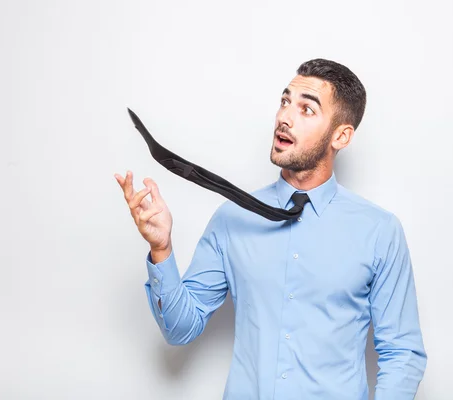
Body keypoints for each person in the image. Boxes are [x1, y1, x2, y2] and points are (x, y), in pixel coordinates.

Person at [114, 58, 427, 399]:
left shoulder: (379, 231)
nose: (285, 117)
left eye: (306, 109)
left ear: (341, 135)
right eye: (284, 102)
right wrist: (162, 249)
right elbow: (179, 329)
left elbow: (402, 353)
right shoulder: (233, 218)